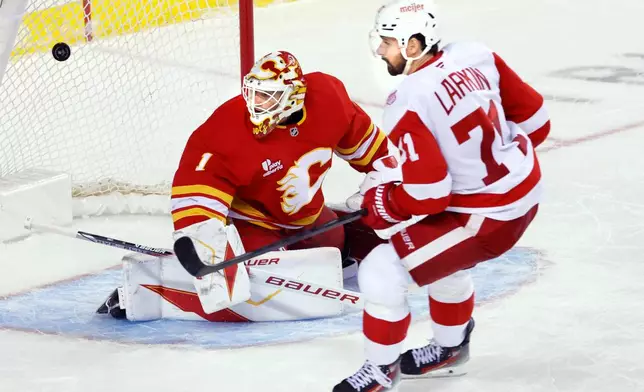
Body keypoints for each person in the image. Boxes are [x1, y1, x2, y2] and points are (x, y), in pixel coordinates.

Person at [333, 0, 550, 390]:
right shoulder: (476, 54)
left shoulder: (408, 102)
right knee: (442, 258)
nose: (381, 51)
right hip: (523, 186)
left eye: (387, 42)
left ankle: (381, 372)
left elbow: (430, 194)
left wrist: (382, 204)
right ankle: (451, 350)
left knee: (381, 272)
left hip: (490, 216)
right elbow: (537, 122)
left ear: (413, 45)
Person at [97, 51, 397, 319]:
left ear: (294, 96)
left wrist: (385, 184)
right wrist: (206, 244)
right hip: (254, 228)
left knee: (334, 241)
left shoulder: (328, 98)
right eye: (253, 93)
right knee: (249, 280)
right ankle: (154, 291)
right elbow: (197, 190)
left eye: (267, 96)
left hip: (308, 219)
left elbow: (374, 152)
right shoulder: (226, 130)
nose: (256, 104)